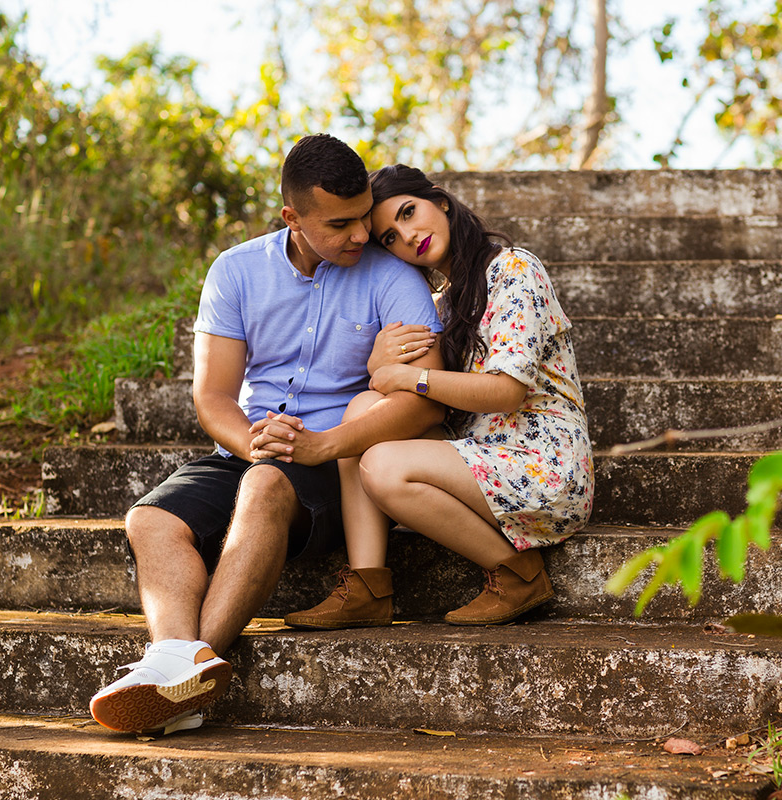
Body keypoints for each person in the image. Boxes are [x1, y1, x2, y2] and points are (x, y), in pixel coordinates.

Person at [88, 136, 445, 735]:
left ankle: (176, 669)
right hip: (252, 446)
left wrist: (323, 444)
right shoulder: (236, 271)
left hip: (339, 464)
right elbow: (213, 397)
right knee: (149, 519)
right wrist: (254, 440)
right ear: (292, 218)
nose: (362, 233)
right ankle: (182, 665)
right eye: (340, 223)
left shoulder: (393, 278)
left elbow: (421, 404)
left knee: (263, 487)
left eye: (365, 216)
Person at [284, 164, 593, 630]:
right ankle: (368, 585)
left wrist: (409, 379)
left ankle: (518, 575)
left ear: (441, 203)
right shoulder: (441, 305)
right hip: (483, 454)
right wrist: (377, 367)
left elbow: (506, 391)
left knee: (384, 467)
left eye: (409, 213)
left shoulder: (512, 268)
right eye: (389, 237)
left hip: (544, 464)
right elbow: (392, 390)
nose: (408, 236)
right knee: (364, 410)